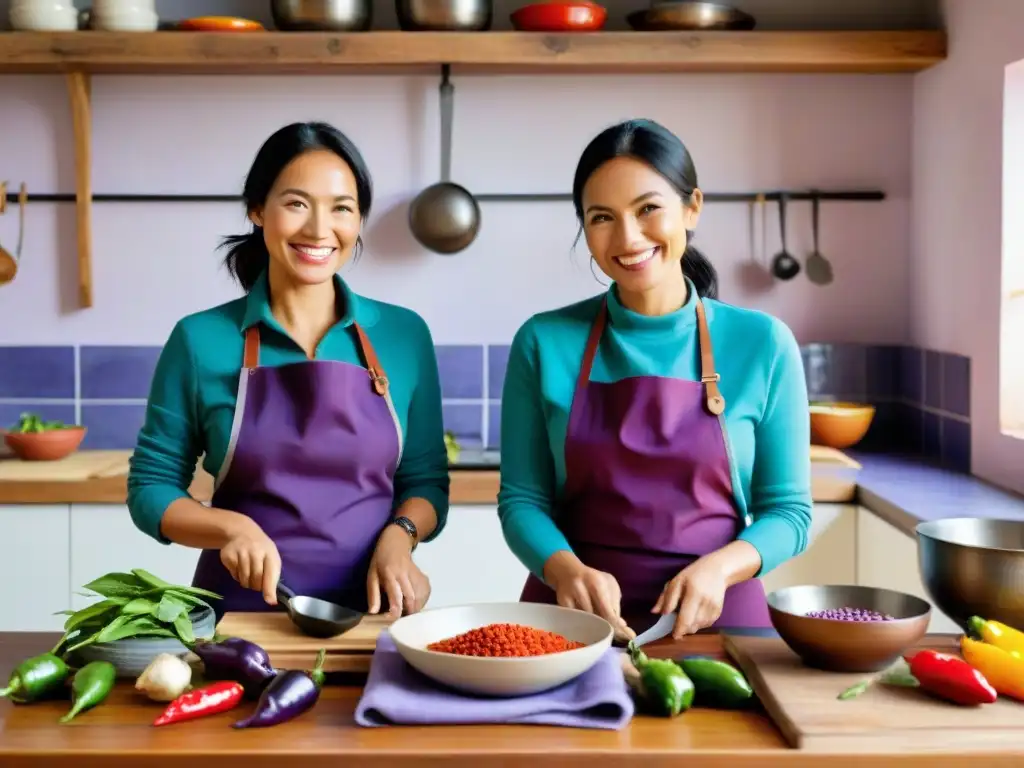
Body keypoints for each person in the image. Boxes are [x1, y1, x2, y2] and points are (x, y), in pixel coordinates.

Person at [498, 118, 812, 640]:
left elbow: (789, 513)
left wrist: (722, 569)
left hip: (719, 617)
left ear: (691, 208)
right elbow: (521, 502)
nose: (627, 237)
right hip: (571, 617)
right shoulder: (544, 341)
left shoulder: (763, 343)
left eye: (648, 209)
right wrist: (565, 571)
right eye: (602, 218)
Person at [127, 122, 450, 620]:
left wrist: (399, 536)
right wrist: (229, 528)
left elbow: (425, 482)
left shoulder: (404, 336)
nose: (320, 230)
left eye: (341, 208)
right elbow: (151, 488)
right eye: (297, 203)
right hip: (237, 618)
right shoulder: (200, 340)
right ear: (257, 209)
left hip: (375, 615)